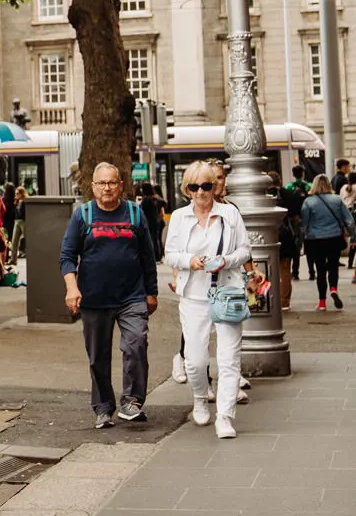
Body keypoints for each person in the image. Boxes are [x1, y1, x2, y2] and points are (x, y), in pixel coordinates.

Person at [59, 162, 157, 430]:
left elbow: (148, 256)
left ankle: (132, 400)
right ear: (92, 186)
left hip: (132, 297)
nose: (106, 188)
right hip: (94, 300)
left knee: (136, 344)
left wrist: (152, 292)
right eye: (101, 183)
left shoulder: (135, 214)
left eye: (112, 182)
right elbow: (67, 256)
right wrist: (72, 287)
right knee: (98, 357)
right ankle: (103, 408)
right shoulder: (83, 215)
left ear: (121, 185)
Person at [163, 160, 250, 438]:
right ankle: (200, 397)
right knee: (195, 361)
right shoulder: (179, 217)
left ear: (215, 186)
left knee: (228, 359)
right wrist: (192, 261)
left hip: (227, 293)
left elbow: (245, 250)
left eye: (206, 186)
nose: (201, 192)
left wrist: (225, 260)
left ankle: (225, 416)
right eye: (194, 186)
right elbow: (170, 254)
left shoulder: (229, 214)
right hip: (194, 295)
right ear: (186, 189)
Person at [299, 175, 352, 310]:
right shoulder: (337, 200)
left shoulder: (308, 202)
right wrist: (353, 236)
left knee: (320, 270)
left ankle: (322, 302)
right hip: (334, 238)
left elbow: (304, 224)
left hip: (316, 240)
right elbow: (349, 220)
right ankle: (333, 288)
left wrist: (302, 238)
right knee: (333, 266)